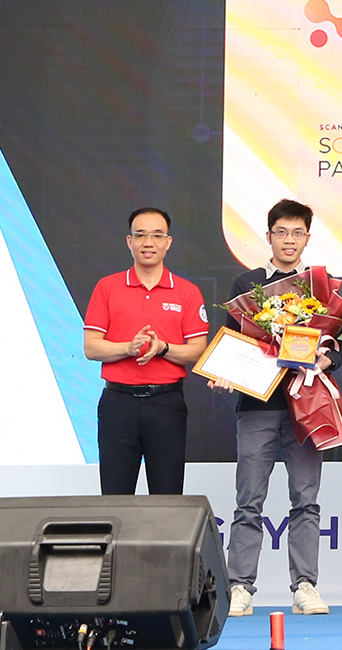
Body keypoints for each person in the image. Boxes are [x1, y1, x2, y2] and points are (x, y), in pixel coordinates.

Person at [219, 199, 342, 618]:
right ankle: (239, 586)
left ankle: (305, 585)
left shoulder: (319, 287)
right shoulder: (247, 284)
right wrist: (225, 371)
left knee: (306, 500)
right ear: (268, 235)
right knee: (248, 501)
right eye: (281, 232)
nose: (289, 240)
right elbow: (233, 341)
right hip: (257, 405)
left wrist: (326, 358)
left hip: (305, 405)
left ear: (307, 238)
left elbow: (339, 342)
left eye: (297, 233)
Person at [82, 207, 208, 496]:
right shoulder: (107, 287)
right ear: (129, 241)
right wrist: (128, 348)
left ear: (168, 242)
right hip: (118, 404)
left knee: (167, 497)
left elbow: (198, 351)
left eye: (157, 235)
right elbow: (91, 347)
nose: (148, 242)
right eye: (140, 235)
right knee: (115, 496)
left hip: (166, 404)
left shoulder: (187, 292)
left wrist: (163, 348)